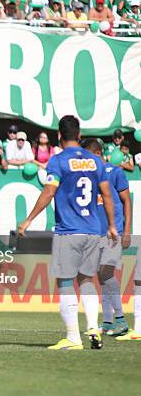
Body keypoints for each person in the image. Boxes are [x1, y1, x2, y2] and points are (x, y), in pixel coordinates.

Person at [18, 115, 117, 350]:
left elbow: (49, 192)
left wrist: (28, 220)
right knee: (86, 280)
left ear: (59, 136)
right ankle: (93, 326)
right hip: (94, 230)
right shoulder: (96, 161)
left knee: (65, 281)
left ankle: (73, 337)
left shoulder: (58, 161)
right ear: (79, 135)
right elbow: (107, 195)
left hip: (68, 231)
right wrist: (112, 225)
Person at [81, 138, 131, 337]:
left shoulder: (115, 172)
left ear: (96, 153)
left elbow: (127, 202)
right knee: (102, 278)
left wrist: (126, 231)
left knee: (106, 274)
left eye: (86, 155)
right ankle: (109, 322)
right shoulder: (90, 176)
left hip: (114, 232)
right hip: (96, 233)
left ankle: (121, 320)